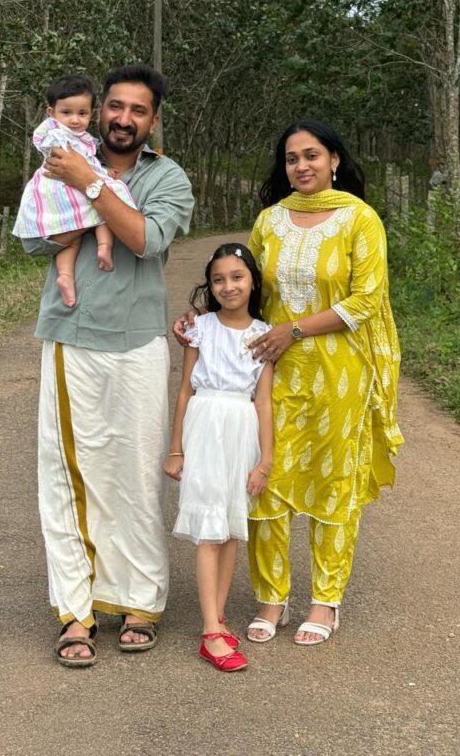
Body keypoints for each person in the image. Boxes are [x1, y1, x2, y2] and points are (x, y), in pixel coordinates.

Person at [174, 119, 403, 646]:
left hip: (339, 374)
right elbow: (246, 292)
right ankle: (271, 597)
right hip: (271, 371)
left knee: (332, 482)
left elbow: (365, 301)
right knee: (266, 482)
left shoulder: (360, 219)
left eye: (312, 155)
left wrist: (293, 329)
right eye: (292, 158)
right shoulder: (270, 221)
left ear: (334, 160)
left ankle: (325, 601)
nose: (302, 166)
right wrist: (199, 322)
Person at [22, 63, 195, 668]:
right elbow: (35, 236)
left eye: (138, 110)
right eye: (115, 107)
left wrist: (90, 189)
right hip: (71, 334)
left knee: (135, 473)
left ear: (153, 120)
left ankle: (140, 600)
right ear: (100, 111)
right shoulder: (64, 155)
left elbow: (147, 240)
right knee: (68, 472)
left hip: (138, 339)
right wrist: (79, 194)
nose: (123, 119)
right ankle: (76, 610)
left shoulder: (167, 176)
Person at [163, 244, 273, 673]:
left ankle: (219, 616)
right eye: (218, 279)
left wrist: (264, 461)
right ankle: (210, 630)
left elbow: (263, 401)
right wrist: (176, 448)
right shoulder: (200, 328)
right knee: (210, 530)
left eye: (237, 277)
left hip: (242, 428)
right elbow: (185, 389)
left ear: (253, 282)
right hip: (206, 424)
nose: (228, 286)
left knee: (229, 529)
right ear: (210, 286)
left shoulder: (263, 335)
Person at [13, 75, 137, 308]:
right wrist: (99, 174)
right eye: (67, 113)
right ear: (51, 113)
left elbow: (85, 163)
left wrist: (101, 171)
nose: (74, 120)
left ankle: (65, 275)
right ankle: (104, 248)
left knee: (76, 232)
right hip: (62, 187)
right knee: (104, 206)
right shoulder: (56, 133)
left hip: (74, 184)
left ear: (92, 114)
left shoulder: (84, 138)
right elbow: (72, 162)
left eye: (82, 113)